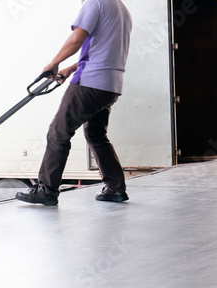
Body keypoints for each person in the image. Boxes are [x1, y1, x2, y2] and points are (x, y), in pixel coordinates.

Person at [16, 0, 132, 206]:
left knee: (58, 132)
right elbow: (103, 49)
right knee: (96, 134)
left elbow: (77, 38)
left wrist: (53, 63)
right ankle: (115, 188)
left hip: (90, 82)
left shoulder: (94, 3)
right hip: (111, 85)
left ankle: (46, 189)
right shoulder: (121, 9)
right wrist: (70, 68)